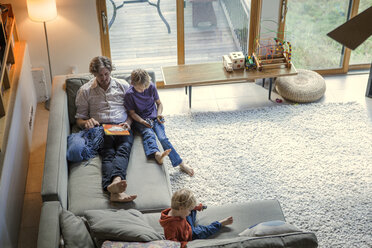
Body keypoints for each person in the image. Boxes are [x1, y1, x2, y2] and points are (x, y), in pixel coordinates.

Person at [75, 56, 137, 203]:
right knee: (108, 154)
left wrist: (128, 122)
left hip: (122, 125)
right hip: (101, 128)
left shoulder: (122, 85)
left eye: (106, 74)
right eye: (100, 75)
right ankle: (115, 185)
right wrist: (86, 123)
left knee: (123, 150)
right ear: (94, 75)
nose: (104, 78)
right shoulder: (85, 91)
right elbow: (79, 119)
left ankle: (114, 186)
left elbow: (132, 111)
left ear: (110, 71)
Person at [124, 68, 194, 176]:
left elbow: (159, 104)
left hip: (154, 116)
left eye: (145, 88)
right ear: (132, 83)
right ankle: (157, 155)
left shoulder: (151, 86)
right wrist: (142, 121)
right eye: (140, 89)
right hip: (140, 119)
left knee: (162, 138)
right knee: (149, 134)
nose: (143, 91)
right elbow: (132, 113)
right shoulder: (129, 94)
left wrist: (159, 114)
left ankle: (181, 163)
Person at [159, 188, 233, 248]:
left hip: (185, 224)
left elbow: (186, 212)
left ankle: (194, 207)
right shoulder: (170, 227)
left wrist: (194, 208)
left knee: (190, 213)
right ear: (181, 208)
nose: (189, 212)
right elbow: (172, 245)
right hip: (190, 234)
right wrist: (185, 245)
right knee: (204, 231)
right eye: (189, 209)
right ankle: (220, 224)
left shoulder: (177, 210)